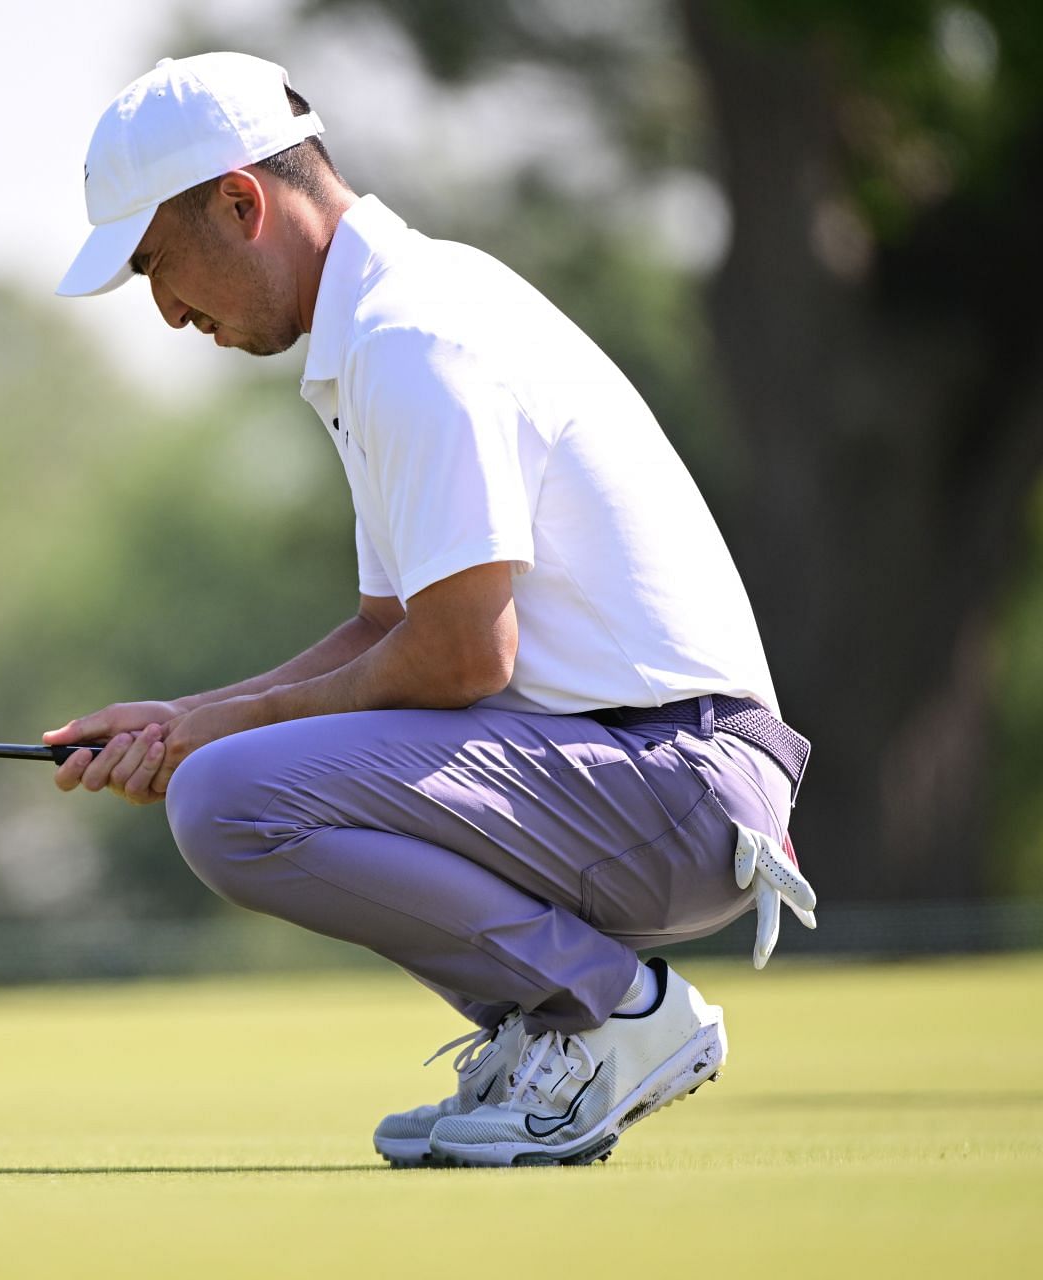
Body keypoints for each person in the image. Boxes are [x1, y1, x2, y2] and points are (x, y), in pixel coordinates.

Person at [43, 52, 818, 1168]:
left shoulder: (412, 338)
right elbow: (384, 628)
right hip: (638, 767)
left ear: (241, 202)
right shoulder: (387, 321)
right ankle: (563, 1027)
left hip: (681, 778)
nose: (165, 311)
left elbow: (462, 655)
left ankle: (610, 1015)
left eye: (156, 263)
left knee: (228, 799)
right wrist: (184, 712)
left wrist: (218, 737)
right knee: (224, 771)